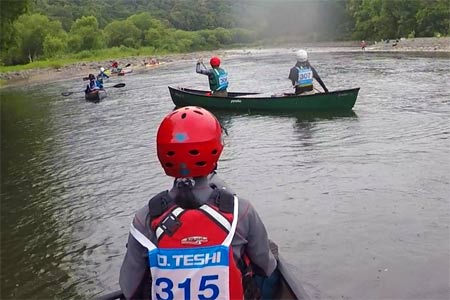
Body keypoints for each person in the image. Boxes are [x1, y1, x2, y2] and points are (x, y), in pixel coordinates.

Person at [119, 106, 280, 299]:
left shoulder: (144, 217)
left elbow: (129, 288)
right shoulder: (241, 211)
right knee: (271, 266)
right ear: (215, 151)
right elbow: (265, 266)